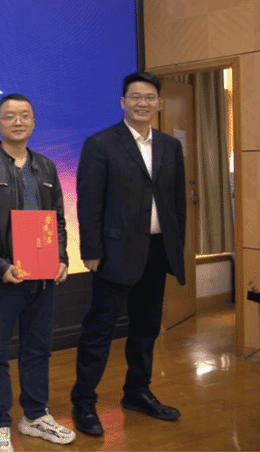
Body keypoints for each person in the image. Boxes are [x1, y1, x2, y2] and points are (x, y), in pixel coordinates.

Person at [70, 71, 186, 436]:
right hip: (114, 253)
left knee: (146, 327)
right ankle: (83, 402)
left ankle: (137, 391)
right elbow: (89, 203)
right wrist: (91, 250)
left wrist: (176, 245)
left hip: (157, 250)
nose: (142, 103)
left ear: (159, 103)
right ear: (123, 102)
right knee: (99, 330)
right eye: (135, 97)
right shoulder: (101, 144)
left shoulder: (169, 146)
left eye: (149, 97)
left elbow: (177, 202)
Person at [0, 94, 75, 452]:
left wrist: (61, 257)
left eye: (25, 115)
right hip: (3, 278)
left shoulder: (46, 167)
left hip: (42, 276)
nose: (18, 122)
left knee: (38, 349)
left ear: (33, 122)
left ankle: (35, 415)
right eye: (9, 116)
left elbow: (57, 219)